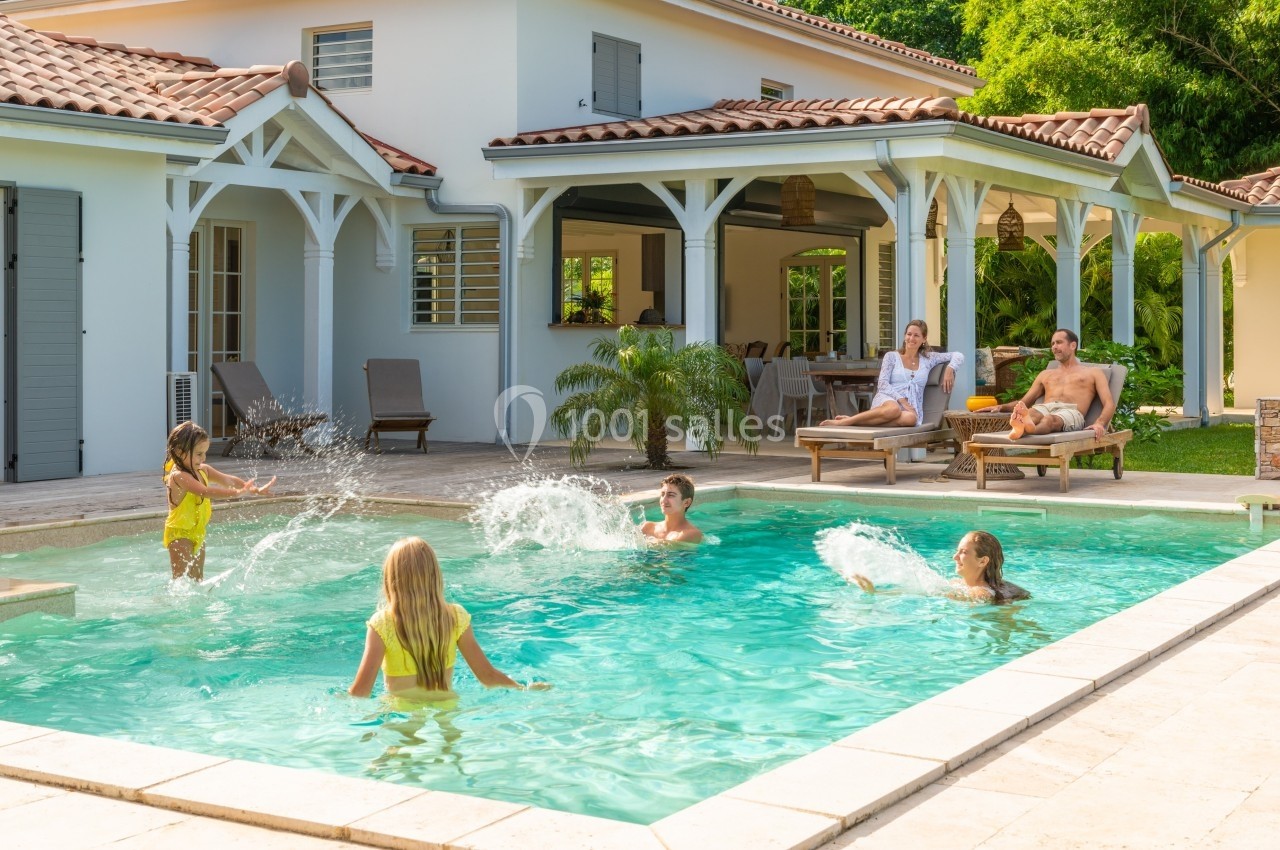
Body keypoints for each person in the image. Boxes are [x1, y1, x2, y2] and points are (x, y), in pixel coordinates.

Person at [349, 537, 548, 700]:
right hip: (447, 706)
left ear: (390, 579)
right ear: (435, 575)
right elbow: (487, 676)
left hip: (401, 711)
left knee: (397, 748)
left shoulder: (382, 623)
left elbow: (361, 691)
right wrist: (524, 689)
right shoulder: (456, 617)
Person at [163, 420, 276, 581]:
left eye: (205, 453)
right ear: (180, 452)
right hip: (179, 534)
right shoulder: (179, 476)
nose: (203, 458)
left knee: (197, 579)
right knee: (180, 582)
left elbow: (228, 480)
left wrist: (254, 489)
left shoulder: (203, 470)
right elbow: (205, 491)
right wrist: (236, 494)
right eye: (199, 454)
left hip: (198, 531)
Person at [819, 319, 961, 428]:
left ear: (923, 339)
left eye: (916, 335)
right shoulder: (891, 356)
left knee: (911, 419)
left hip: (909, 407)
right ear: (905, 336)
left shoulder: (928, 359)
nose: (911, 338)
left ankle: (856, 423)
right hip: (888, 398)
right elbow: (882, 384)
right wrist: (901, 400)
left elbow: (958, 355)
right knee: (893, 409)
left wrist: (950, 369)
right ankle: (847, 421)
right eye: (909, 334)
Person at [979, 329, 1114, 440]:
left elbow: (1109, 403)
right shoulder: (1046, 374)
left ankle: (1024, 430)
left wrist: (1099, 423)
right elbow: (1024, 402)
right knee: (1030, 413)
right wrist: (1000, 407)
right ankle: (1024, 427)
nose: (1054, 347)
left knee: (1049, 420)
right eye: (1053, 344)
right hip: (1044, 407)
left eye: (1059, 342)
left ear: (1073, 345)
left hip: (1071, 411)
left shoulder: (1093, 373)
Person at [851, 530, 1030, 603]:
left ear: (982, 561)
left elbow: (935, 592)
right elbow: (921, 590)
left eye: (963, 552)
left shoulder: (981, 593)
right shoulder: (957, 584)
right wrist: (876, 592)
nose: (955, 557)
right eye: (957, 551)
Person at [639, 473, 703, 543]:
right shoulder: (647, 527)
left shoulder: (692, 534)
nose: (663, 500)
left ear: (686, 502)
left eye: (671, 495)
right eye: (663, 494)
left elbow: (667, 547)